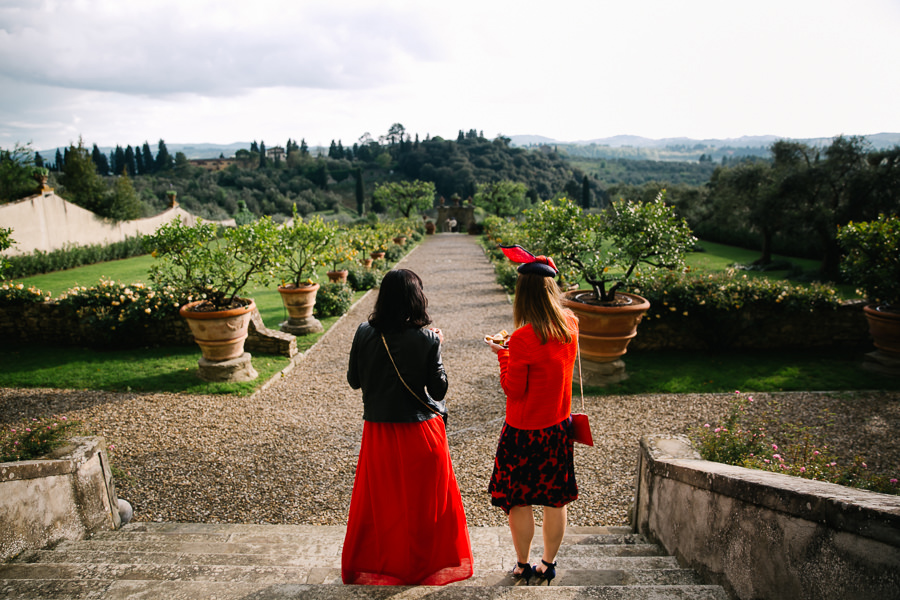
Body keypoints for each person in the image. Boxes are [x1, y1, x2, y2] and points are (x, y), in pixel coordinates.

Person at [342, 269, 473, 585]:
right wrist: (437, 346)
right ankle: (424, 566)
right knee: (425, 507)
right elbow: (438, 390)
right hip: (420, 433)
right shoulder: (426, 338)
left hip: (378, 433)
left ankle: (384, 565)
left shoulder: (363, 332)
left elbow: (354, 381)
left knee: (383, 505)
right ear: (417, 299)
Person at [484, 245, 579, 586]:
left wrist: (501, 354)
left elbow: (514, 389)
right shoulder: (571, 325)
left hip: (523, 431)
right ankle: (548, 563)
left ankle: (522, 564)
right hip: (557, 428)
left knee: (519, 501)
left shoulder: (523, 338)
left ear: (522, 295)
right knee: (555, 500)